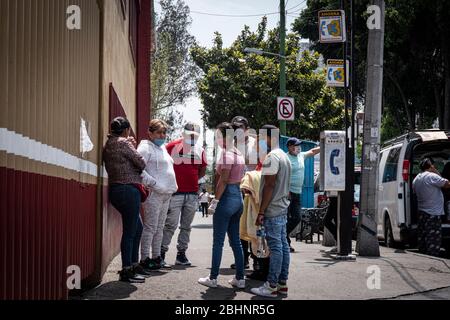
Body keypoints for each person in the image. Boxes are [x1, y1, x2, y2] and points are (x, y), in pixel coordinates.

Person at [198, 122, 246, 288]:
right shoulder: (239, 153)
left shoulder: (226, 154)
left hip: (227, 198)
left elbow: (223, 180)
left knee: (218, 241)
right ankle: (240, 278)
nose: (217, 138)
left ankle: (213, 278)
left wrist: (215, 201)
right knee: (236, 242)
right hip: (238, 198)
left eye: (218, 135)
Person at [102, 117, 148, 283]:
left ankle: (133, 265)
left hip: (116, 190)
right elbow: (141, 163)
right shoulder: (125, 143)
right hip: (129, 190)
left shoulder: (109, 144)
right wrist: (131, 145)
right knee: (130, 231)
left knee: (138, 228)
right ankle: (127, 270)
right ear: (126, 129)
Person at [250, 125, 292, 298]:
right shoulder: (284, 156)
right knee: (283, 246)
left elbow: (269, 185)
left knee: (276, 248)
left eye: (261, 137)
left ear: (270, 138)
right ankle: (282, 283)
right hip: (282, 207)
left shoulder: (271, 157)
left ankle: (271, 285)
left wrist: (261, 212)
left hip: (273, 209)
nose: (259, 142)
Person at [162, 122, 208, 266]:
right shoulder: (171, 146)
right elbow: (163, 165)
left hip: (192, 194)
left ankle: (181, 254)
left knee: (186, 226)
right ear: (183, 134)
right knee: (170, 224)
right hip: (175, 193)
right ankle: (161, 253)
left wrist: (194, 183)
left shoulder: (200, 150)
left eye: (195, 136)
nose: (192, 138)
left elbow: (202, 170)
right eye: (190, 135)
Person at [138, 119, 178, 271]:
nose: (162, 135)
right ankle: (144, 259)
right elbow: (139, 169)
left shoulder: (162, 149)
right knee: (150, 227)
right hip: (154, 193)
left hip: (166, 194)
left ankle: (156, 257)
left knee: (160, 227)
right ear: (150, 133)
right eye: (159, 132)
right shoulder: (145, 148)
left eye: (164, 133)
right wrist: (154, 184)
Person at [230, 116, 258, 270]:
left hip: (252, 189)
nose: (237, 131)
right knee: (238, 225)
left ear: (247, 129)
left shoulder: (256, 144)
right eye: (235, 129)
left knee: (253, 224)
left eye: (240, 128)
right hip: (236, 189)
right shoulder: (231, 145)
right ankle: (243, 258)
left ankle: (257, 258)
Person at [285, 138, 320, 252]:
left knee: (296, 218)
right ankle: (285, 242)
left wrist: (325, 145)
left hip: (297, 193)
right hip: (287, 193)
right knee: (286, 218)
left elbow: (313, 151)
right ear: (290, 147)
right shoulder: (285, 158)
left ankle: (283, 237)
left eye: (299, 145)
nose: (298, 147)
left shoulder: (301, 156)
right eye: (296, 145)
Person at [412, 158, 450, 257]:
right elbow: (447, 184)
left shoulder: (416, 178)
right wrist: (436, 171)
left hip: (422, 212)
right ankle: (432, 257)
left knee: (423, 236)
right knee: (433, 237)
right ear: (431, 166)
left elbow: (415, 192)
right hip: (433, 213)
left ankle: (424, 255)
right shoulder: (432, 176)